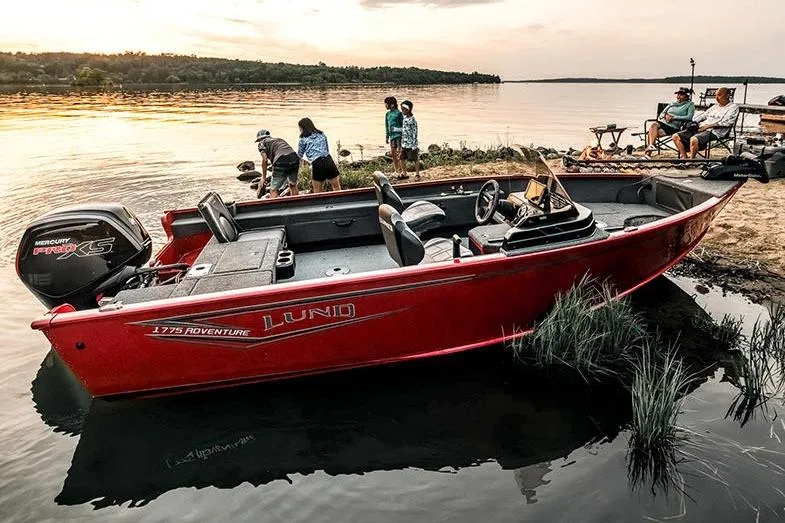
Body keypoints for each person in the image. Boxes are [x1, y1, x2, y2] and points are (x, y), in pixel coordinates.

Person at [673, 87, 739, 159]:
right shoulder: (715, 106)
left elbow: (726, 122)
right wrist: (693, 122)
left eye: (719, 95)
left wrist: (707, 126)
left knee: (694, 139)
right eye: (716, 95)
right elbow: (704, 116)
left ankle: (691, 160)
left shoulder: (733, 107)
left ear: (727, 96)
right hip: (701, 127)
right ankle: (685, 158)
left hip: (715, 131)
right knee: (675, 136)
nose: (717, 98)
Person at [644, 87, 695, 155]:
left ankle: (648, 154)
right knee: (653, 125)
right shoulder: (673, 103)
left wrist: (674, 118)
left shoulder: (690, 104)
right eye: (678, 94)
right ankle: (651, 146)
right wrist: (666, 116)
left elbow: (689, 117)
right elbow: (662, 114)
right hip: (663, 123)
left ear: (686, 97)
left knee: (651, 133)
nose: (678, 96)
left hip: (675, 127)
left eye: (681, 95)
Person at [297, 117, 341, 193]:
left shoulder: (303, 140)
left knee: (317, 191)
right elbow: (326, 149)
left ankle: (321, 204)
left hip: (317, 163)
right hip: (328, 160)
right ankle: (341, 203)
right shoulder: (321, 135)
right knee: (336, 187)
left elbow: (299, 155)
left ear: (302, 128)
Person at [255, 129, 300, 198]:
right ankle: (297, 205)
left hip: (281, 159)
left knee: (273, 190)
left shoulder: (262, 143)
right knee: (293, 185)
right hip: (294, 158)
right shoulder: (279, 140)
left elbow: (265, 159)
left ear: (260, 139)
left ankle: (273, 207)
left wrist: (263, 177)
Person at [384, 96, 405, 178]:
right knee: (393, 154)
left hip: (399, 136)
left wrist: (396, 129)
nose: (385, 105)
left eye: (386, 104)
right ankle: (396, 170)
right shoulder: (387, 114)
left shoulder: (399, 113)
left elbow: (403, 126)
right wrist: (387, 135)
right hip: (392, 137)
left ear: (392, 105)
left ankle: (402, 171)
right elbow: (386, 126)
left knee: (399, 153)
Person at [400, 100, 420, 181]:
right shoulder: (404, 119)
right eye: (402, 109)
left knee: (415, 158)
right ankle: (404, 173)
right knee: (402, 158)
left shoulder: (412, 120)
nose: (402, 111)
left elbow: (415, 132)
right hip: (404, 143)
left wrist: (414, 145)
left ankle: (417, 174)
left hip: (411, 143)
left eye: (404, 109)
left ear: (408, 110)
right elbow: (403, 131)